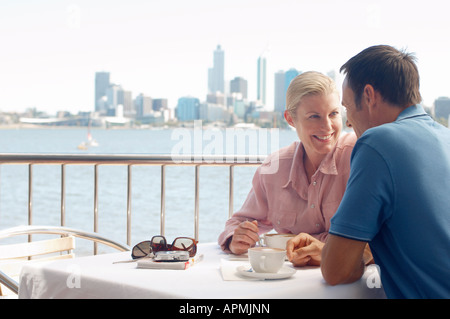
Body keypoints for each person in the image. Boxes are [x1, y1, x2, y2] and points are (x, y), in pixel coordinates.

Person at [289, 45, 450, 298]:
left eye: (346, 108)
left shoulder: (378, 142)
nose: (349, 122)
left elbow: (336, 271)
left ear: (369, 95)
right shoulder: (445, 137)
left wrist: (348, 252)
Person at [218, 71, 357, 258]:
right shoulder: (273, 169)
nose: (327, 126)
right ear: (290, 119)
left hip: (346, 276)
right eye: (314, 116)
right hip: (291, 278)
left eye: (333, 114)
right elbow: (241, 222)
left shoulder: (359, 155)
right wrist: (237, 237)